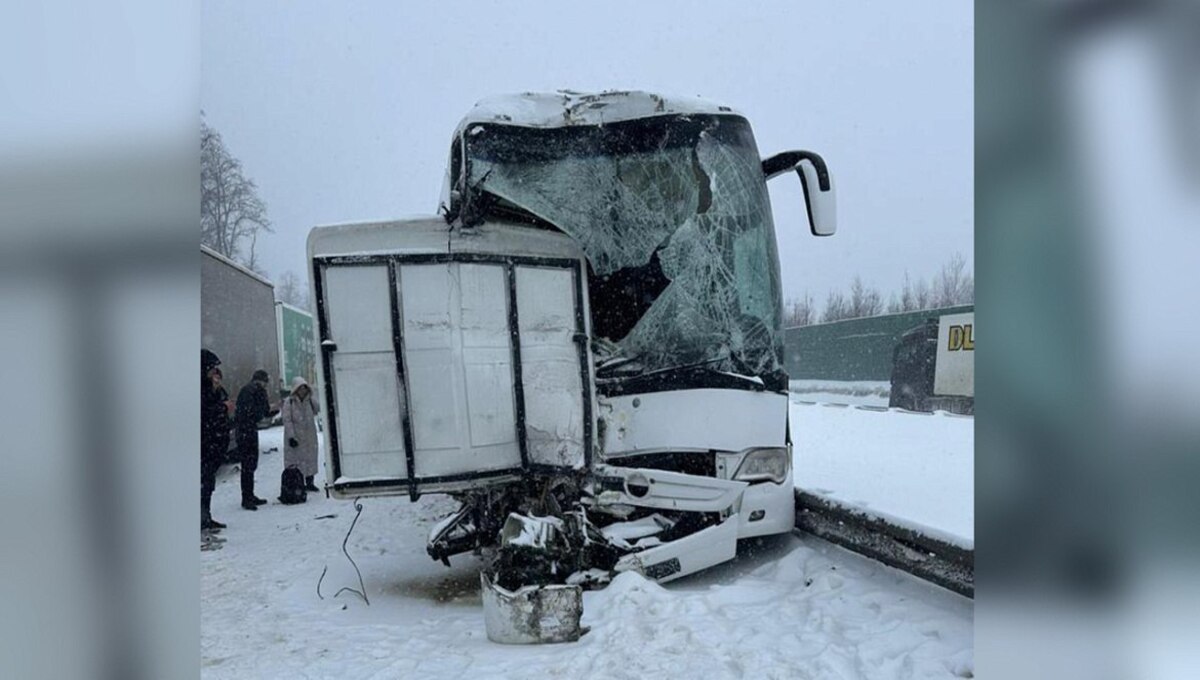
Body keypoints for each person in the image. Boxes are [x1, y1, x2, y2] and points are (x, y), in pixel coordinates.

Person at [234, 369, 277, 510]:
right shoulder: (255, 391)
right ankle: (247, 498)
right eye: (266, 382)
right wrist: (270, 411)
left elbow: (251, 411)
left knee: (249, 465)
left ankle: (249, 495)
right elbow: (257, 412)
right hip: (248, 430)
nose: (266, 385)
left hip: (244, 430)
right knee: (249, 465)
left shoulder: (247, 390)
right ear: (261, 381)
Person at [201, 350, 230, 531]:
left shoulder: (213, 389)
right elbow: (205, 413)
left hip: (213, 443)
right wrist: (222, 406)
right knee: (203, 483)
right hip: (206, 443)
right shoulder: (201, 390)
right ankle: (202, 517)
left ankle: (205, 516)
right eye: (212, 370)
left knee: (207, 483)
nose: (215, 374)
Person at [281, 376, 321, 494]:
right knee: (297, 461)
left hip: (309, 436)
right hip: (296, 436)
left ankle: (310, 482)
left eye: (304, 388)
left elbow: (318, 408)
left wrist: (312, 397)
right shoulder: (289, 402)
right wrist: (291, 436)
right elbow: (287, 420)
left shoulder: (309, 401)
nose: (303, 391)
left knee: (310, 459)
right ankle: (298, 483)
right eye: (300, 388)